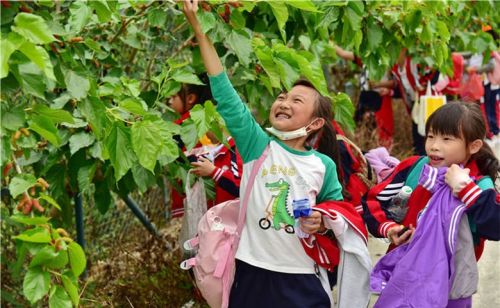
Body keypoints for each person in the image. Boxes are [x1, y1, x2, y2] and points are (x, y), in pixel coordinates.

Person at [182, 1, 371, 307]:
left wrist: (320, 220)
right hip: (251, 273)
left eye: (297, 100)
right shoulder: (258, 145)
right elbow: (225, 94)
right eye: (282, 97)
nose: (284, 102)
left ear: (315, 123)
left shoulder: (322, 165)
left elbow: (337, 209)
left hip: (301, 277)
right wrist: (200, 31)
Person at [362, 102, 500, 307]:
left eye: (446, 139)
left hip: (450, 289)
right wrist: (390, 228)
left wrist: (465, 190)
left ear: (473, 145)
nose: (435, 145)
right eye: (431, 136)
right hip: (403, 278)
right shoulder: (414, 168)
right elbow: (373, 201)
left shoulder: (478, 185)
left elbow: (495, 226)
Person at [168, 74, 243, 217]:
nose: (170, 102)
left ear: (190, 98)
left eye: (173, 97)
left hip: (199, 205)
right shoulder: (195, 121)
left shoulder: (184, 124)